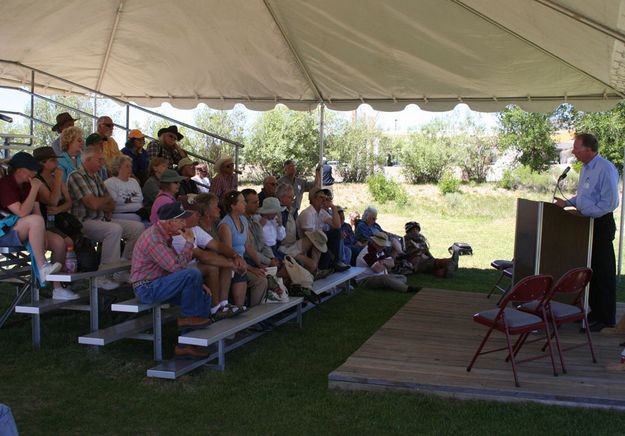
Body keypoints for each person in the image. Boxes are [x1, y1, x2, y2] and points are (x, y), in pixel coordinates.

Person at [555, 133, 619, 332]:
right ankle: (593, 311)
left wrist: (582, 212)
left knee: (603, 271)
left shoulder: (605, 168)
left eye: (576, 148)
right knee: (589, 271)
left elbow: (609, 204)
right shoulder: (585, 169)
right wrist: (567, 203)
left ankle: (605, 317)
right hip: (586, 223)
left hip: (600, 223)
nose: (573, 151)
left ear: (589, 149)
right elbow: (584, 196)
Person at [130, 201, 212, 358]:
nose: (184, 223)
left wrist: (198, 285)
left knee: (203, 295)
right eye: (181, 220)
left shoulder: (164, 235)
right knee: (193, 274)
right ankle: (186, 319)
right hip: (147, 288)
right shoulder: (154, 238)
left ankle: (186, 345)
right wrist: (189, 242)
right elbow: (176, 266)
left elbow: (177, 265)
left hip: (159, 283)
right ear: (170, 222)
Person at [67, 146, 145, 290]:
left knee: (138, 228)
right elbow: (94, 204)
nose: (102, 162)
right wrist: (103, 201)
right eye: (99, 159)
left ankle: (122, 268)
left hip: (100, 219)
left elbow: (110, 205)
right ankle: (103, 275)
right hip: (82, 222)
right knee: (113, 229)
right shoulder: (76, 176)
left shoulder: (96, 177)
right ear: (88, 160)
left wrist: (102, 201)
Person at [173, 193, 248, 320]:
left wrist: (235, 256)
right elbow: (203, 256)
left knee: (225, 260)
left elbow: (217, 246)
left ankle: (224, 304)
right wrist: (232, 264)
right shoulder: (177, 233)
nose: (199, 216)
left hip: (192, 267)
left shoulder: (194, 228)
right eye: (195, 214)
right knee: (213, 266)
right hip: (178, 271)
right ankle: (215, 309)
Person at [0, 153, 63, 289]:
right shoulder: (5, 184)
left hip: (22, 227)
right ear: (19, 171)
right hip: (4, 231)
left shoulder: (28, 185)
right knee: (34, 221)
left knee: (59, 242)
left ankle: (58, 288)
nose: (35, 172)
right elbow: (22, 212)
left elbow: (37, 212)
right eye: (31, 169)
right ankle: (43, 267)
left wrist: (43, 233)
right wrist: (35, 189)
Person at [33, 146, 79, 298]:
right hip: (43, 222)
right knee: (63, 242)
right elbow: (52, 201)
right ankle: (57, 285)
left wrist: (59, 210)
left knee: (70, 240)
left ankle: (63, 281)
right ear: (42, 163)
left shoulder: (56, 177)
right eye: (53, 160)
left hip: (57, 219)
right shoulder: (37, 181)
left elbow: (68, 202)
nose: (56, 164)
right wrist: (58, 179)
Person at [218, 190, 267, 308]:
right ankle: (249, 315)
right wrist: (252, 269)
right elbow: (229, 253)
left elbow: (248, 246)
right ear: (233, 206)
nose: (245, 204)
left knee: (262, 277)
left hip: (242, 262)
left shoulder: (243, 220)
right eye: (242, 202)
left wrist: (259, 265)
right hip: (233, 265)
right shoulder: (225, 225)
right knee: (259, 280)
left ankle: (255, 315)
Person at [297, 187, 350, 273]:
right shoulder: (307, 213)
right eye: (321, 197)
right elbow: (309, 237)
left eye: (325, 198)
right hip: (309, 246)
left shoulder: (322, 212)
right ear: (313, 199)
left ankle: (334, 263)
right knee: (333, 235)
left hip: (319, 243)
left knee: (336, 233)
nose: (324, 200)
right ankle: (332, 264)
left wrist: (333, 207)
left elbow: (337, 225)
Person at [355, 231, 420, 293]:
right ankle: (407, 289)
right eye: (381, 244)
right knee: (385, 279)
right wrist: (386, 264)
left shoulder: (380, 249)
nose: (383, 246)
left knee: (403, 277)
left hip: (380, 275)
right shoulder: (368, 253)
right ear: (374, 243)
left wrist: (383, 262)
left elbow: (392, 263)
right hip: (365, 279)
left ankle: (391, 284)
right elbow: (377, 269)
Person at [242, 189, 278, 267]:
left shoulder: (254, 219)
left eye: (258, 201)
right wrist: (269, 261)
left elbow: (263, 242)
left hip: (261, 257)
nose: (258, 205)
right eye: (254, 202)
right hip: (249, 260)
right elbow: (248, 250)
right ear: (244, 203)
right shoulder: (240, 222)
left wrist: (272, 258)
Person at [104, 155, 144, 222]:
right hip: (120, 215)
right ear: (118, 168)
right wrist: (134, 198)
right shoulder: (109, 183)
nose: (130, 169)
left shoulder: (134, 181)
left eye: (131, 166)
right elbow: (116, 201)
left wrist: (125, 199)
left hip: (139, 213)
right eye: (127, 166)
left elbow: (140, 198)